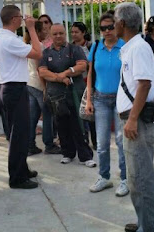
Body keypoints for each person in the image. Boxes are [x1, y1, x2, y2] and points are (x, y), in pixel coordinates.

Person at [112, 2, 154, 232]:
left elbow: (144, 84)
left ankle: (150, 227)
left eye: (114, 21)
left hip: (137, 121)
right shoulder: (131, 47)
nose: (112, 25)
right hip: (133, 119)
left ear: (122, 23)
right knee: (135, 177)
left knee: (141, 178)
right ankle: (144, 222)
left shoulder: (138, 48)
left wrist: (131, 119)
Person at [0, 5, 42, 189]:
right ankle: (17, 177)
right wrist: (31, 28)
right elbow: (38, 53)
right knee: (18, 135)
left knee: (20, 132)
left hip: (10, 88)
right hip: (14, 88)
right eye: (20, 18)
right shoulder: (9, 40)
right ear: (14, 19)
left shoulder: (3, 38)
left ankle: (22, 169)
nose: (22, 20)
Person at [38, 23, 95, 167]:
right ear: (51, 35)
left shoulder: (75, 49)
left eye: (61, 33)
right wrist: (60, 78)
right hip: (56, 96)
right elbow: (43, 72)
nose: (58, 36)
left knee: (79, 125)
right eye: (55, 34)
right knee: (61, 125)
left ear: (65, 34)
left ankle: (85, 156)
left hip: (75, 93)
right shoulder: (46, 53)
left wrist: (65, 73)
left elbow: (82, 66)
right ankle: (67, 153)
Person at [85, 13, 128, 196]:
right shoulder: (96, 47)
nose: (107, 31)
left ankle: (125, 179)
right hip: (100, 99)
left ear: (117, 26)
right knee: (102, 142)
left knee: (121, 141)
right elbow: (89, 74)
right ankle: (104, 177)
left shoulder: (125, 46)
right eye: (103, 28)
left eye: (110, 27)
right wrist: (89, 99)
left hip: (121, 98)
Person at [25, 22, 60, 155]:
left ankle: (30, 145)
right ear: (37, 32)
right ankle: (49, 144)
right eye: (44, 30)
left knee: (33, 116)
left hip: (30, 83)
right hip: (38, 85)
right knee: (48, 115)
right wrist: (45, 88)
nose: (46, 32)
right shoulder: (38, 46)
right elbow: (41, 69)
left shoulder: (29, 46)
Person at [71, 21, 97, 150]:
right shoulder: (70, 48)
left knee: (91, 113)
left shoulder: (91, 46)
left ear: (83, 33)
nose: (74, 35)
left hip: (90, 82)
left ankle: (95, 141)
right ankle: (83, 139)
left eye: (76, 32)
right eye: (72, 32)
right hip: (76, 83)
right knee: (80, 113)